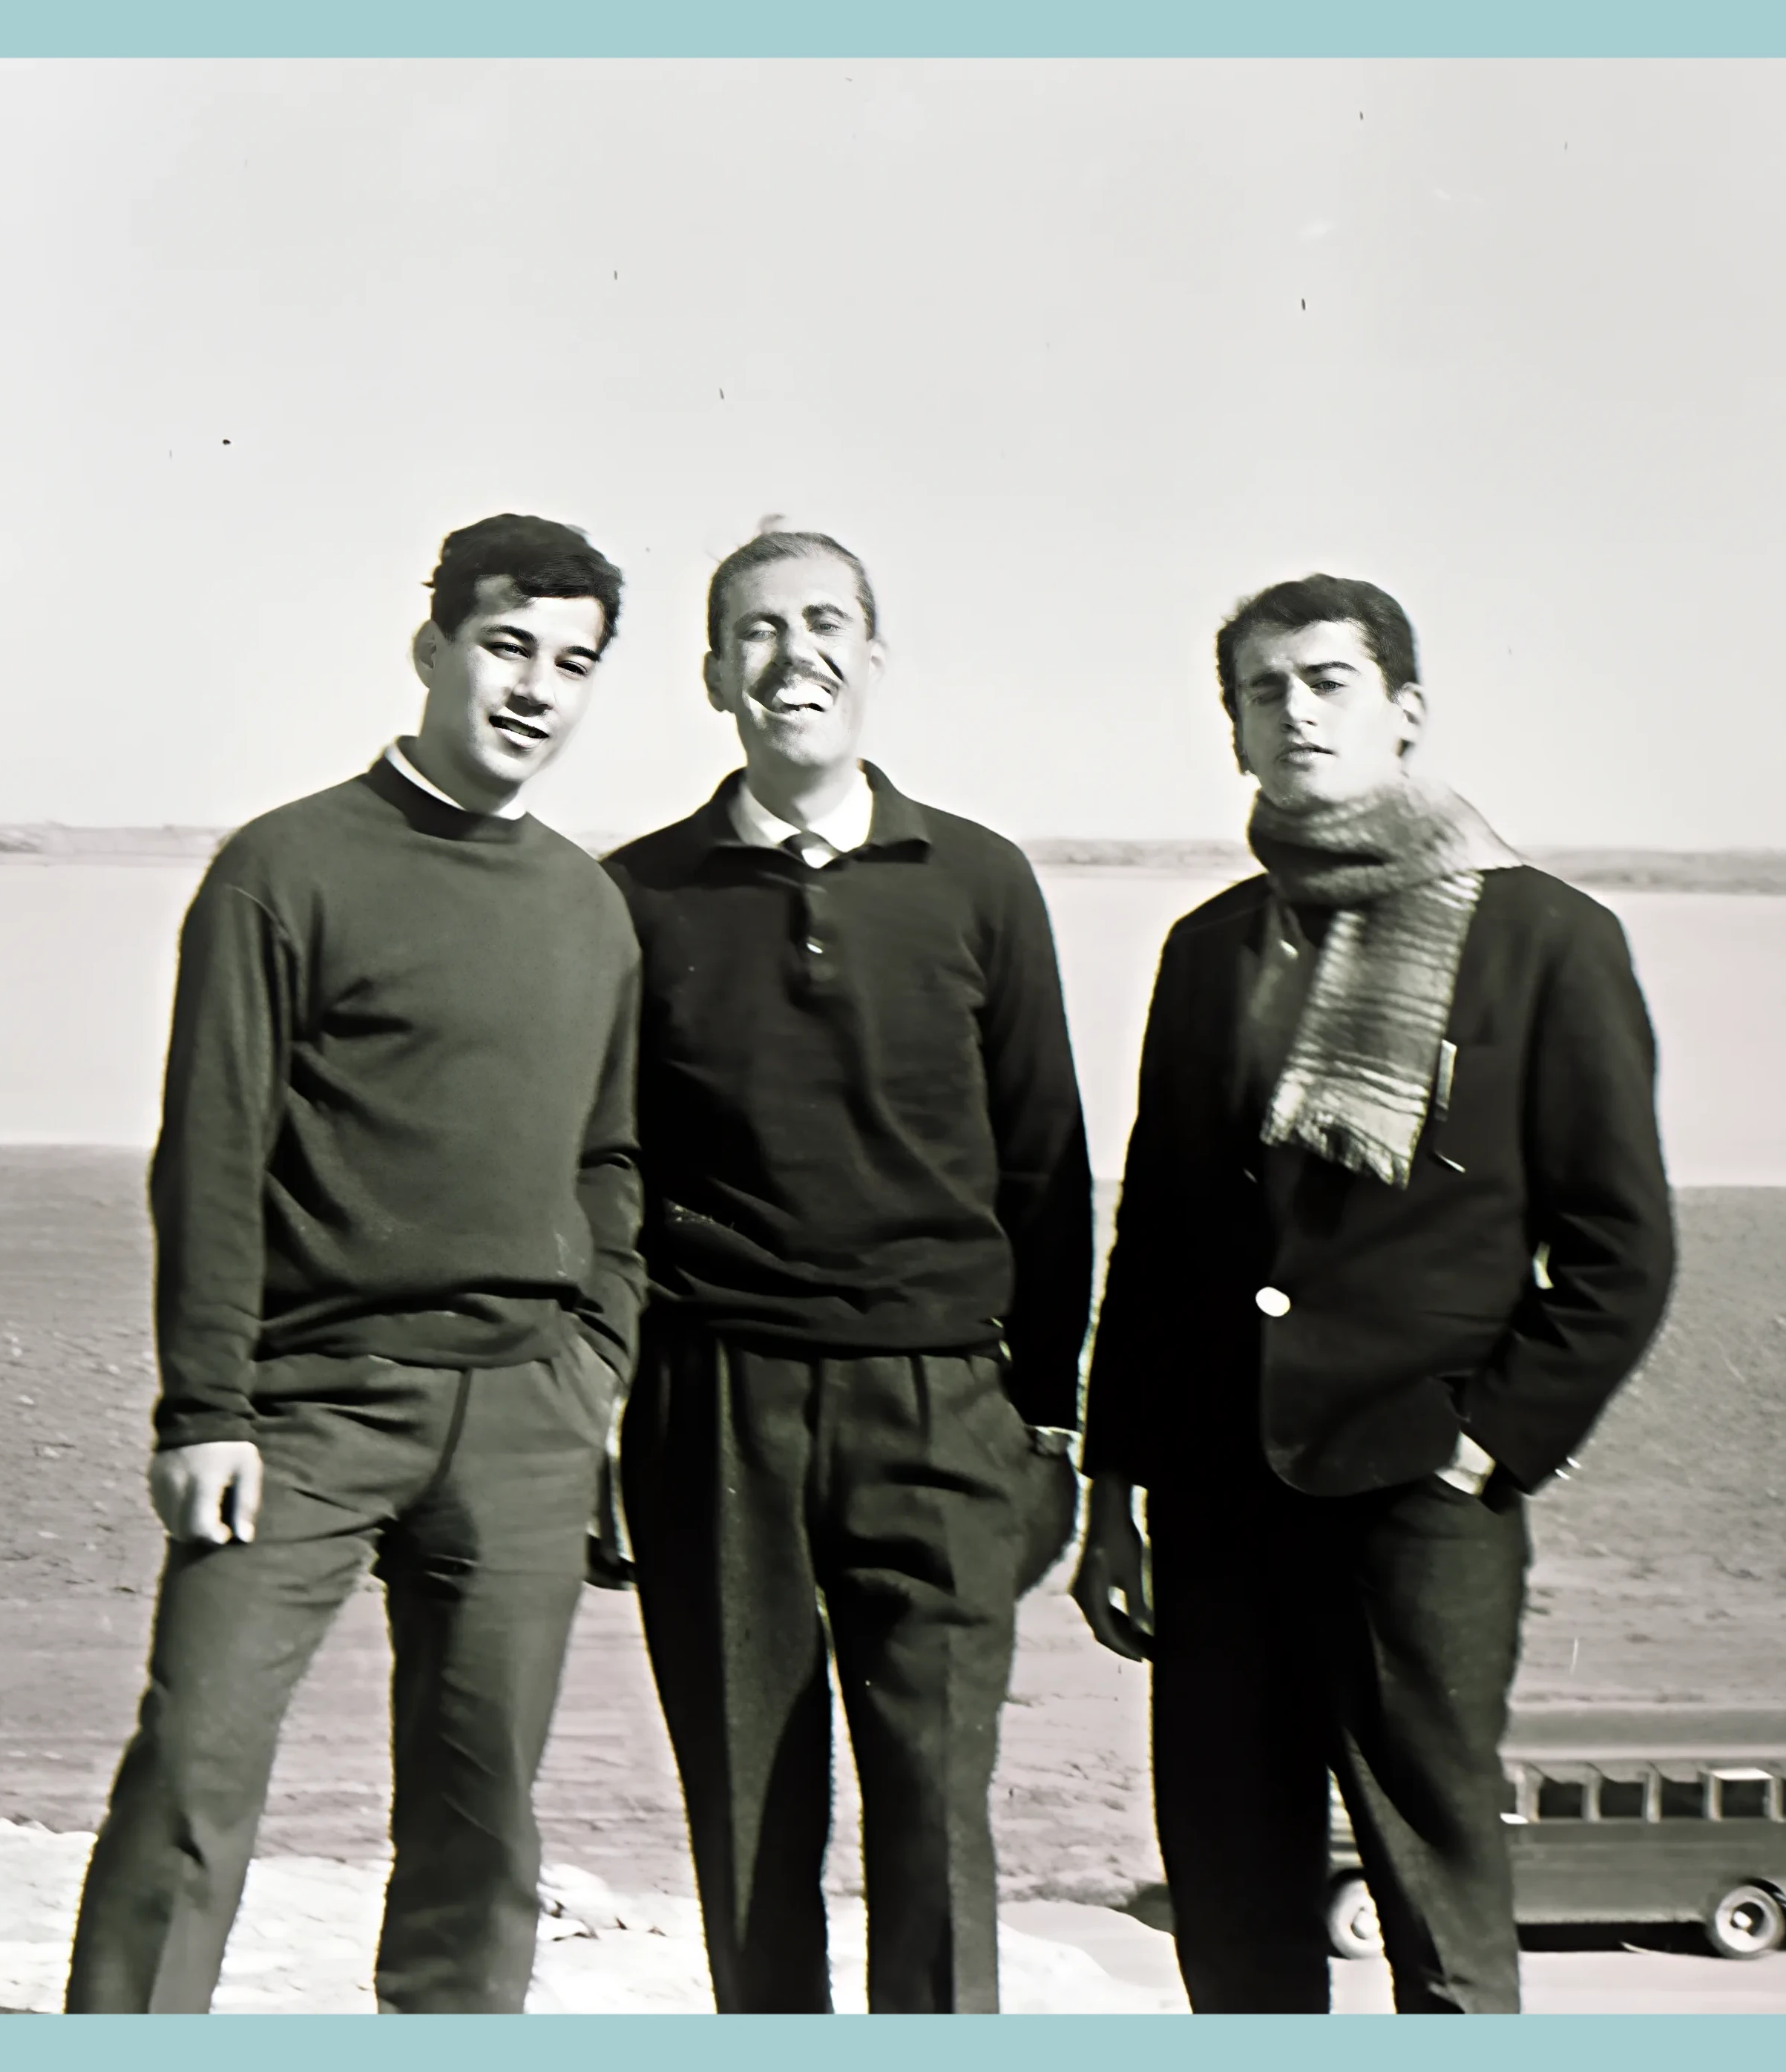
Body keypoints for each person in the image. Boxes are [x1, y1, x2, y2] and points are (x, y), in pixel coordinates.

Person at [1071, 574, 1675, 2014]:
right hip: (1217, 1501)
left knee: (1436, 1910)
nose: (1295, 713)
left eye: (1327, 682)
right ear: (1234, 731)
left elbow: (1620, 1248)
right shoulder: (1208, 948)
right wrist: (1113, 1496)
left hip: (1417, 1501)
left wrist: (1482, 1445)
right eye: (1263, 691)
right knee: (1233, 1907)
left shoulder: (1545, 938)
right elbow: (1155, 1241)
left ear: (1405, 712)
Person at [65, 514, 644, 2015]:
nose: (535, 689)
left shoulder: (587, 905)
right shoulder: (284, 868)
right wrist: (204, 1410)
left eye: (572, 663)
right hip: (304, 1410)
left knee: (480, 1818)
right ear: (431, 649)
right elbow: (211, 1153)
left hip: (522, 1417)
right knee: (192, 1766)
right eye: (506, 647)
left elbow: (609, 1159)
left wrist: (597, 1358)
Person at [601, 529, 1091, 2013]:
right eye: (755, 631)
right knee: (749, 1811)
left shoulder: (979, 881)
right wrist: (604, 1422)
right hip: (713, 1407)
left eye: (824, 623)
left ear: (873, 659)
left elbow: (1045, 1164)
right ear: (712, 676)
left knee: (934, 1811)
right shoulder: (635, 896)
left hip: (940, 1410)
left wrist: (1046, 1423)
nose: (791, 655)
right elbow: (604, 1180)